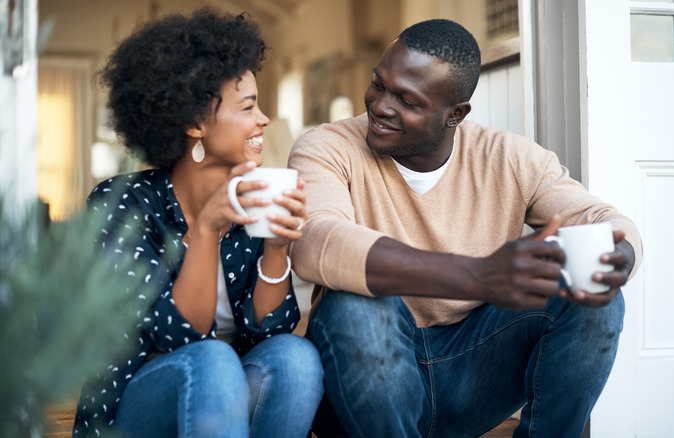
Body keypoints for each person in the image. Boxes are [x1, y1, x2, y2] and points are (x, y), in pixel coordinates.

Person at [288, 19, 643, 438]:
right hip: (364, 378)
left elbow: (605, 221)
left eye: (407, 100)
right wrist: (478, 275)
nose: (381, 105)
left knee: (592, 293)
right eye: (378, 85)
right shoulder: (326, 147)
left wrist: (618, 257)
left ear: (455, 114)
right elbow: (314, 243)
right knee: (356, 306)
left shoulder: (509, 157)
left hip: (471, 373)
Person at [73, 9, 323, 438]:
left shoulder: (251, 202)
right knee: (212, 359)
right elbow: (178, 337)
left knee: (296, 356)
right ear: (193, 123)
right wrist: (206, 230)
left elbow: (270, 330)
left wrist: (277, 245)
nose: (263, 118)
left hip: (223, 408)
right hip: (136, 409)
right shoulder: (125, 205)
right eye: (248, 106)